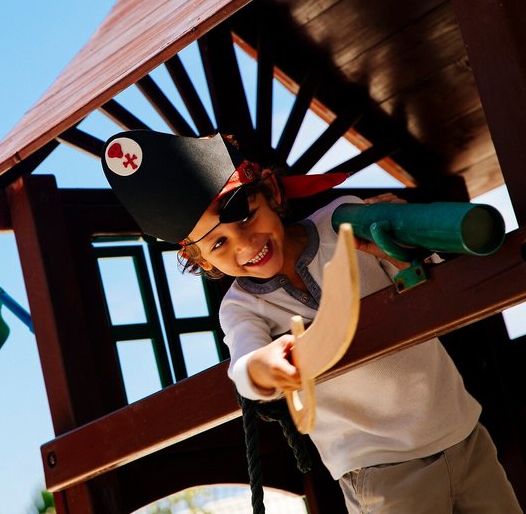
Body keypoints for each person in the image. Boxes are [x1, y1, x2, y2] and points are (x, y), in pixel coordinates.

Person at [101, 129, 521, 514]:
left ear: (270, 192)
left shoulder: (343, 222)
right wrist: (264, 367)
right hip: (380, 469)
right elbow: (245, 361)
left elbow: (427, 282)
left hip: (462, 430)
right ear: (203, 262)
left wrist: (404, 247)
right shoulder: (243, 307)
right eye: (218, 243)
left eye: (245, 215)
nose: (244, 243)